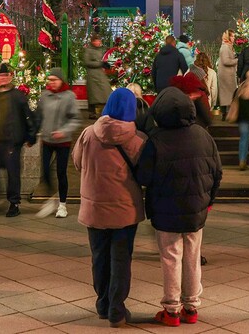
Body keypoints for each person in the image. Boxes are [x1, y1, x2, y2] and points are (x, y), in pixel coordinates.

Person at [136, 87, 222, 327]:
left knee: (171, 258)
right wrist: (208, 201)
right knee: (192, 257)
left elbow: (144, 176)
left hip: (166, 211)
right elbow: (217, 173)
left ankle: (172, 310)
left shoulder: (156, 140)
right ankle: (191, 307)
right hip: (196, 211)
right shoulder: (204, 136)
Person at [73, 88, 147, 328]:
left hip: (93, 209)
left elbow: (77, 162)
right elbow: (144, 175)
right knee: (121, 260)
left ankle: (102, 304)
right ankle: (117, 309)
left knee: (99, 257)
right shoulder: (137, 141)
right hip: (124, 211)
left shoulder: (87, 134)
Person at [0, 63, 37, 217]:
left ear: (10, 77)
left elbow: (28, 116)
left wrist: (31, 136)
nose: (2, 78)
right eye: (0, 76)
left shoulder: (17, 95)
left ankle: (14, 204)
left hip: (12, 142)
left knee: (13, 174)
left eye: (5, 76)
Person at [35, 67, 82, 219]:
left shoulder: (69, 97)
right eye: (50, 80)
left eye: (55, 80)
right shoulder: (45, 96)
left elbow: (75, 119)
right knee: (45, 173)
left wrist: (64, 131)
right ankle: (51, 198)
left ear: (61, 81)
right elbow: (39, 116)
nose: (52, 83)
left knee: (61, 172)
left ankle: (62, 204)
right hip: (47, 140)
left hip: (63, 142)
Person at [83, 34, 112, 118]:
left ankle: (105, 111)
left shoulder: (101, 50)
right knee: (93, 96)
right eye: (96, 41)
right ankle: (92, 113)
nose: (97, 42)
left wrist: (105, 64)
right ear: (92, 42)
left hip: (100, 75)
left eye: (99, 40)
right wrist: (100, 63)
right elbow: (87, 62)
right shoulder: (88, 50)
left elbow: (104, 58)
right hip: (92, 75)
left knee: (106, 92)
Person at [217, 30, 237, 119]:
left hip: (228, 74)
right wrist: (237, 60)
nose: (234, 38)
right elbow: (226, 61)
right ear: (228, 37)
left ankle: (226, 113)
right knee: (227, 94)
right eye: (232, 36)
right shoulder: (225, 47)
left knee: (227, 95)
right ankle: (226, 114)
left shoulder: (228, 46)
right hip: (226, 75)